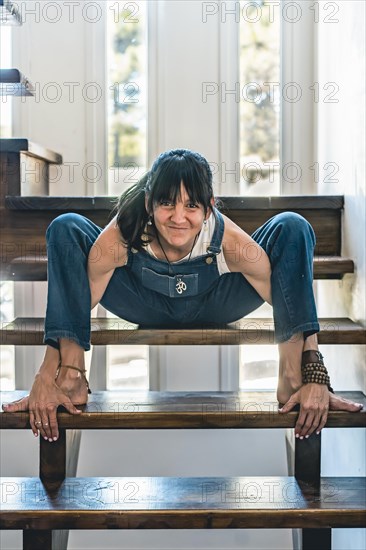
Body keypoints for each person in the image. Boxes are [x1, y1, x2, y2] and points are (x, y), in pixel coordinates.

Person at [2, 149, 362, 441]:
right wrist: (47, 374)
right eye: (167, 204)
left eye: (192, 206)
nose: (179, 217)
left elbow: (288, 294)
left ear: (209, 207)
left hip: (216, 303)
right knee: (65, 227)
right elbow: (76, 303)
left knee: (293, 226)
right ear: (148, 204)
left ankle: (291, 377)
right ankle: (72, 381)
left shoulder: (231, 241)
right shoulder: (123, 233)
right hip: (140, 301)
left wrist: (313, 370)